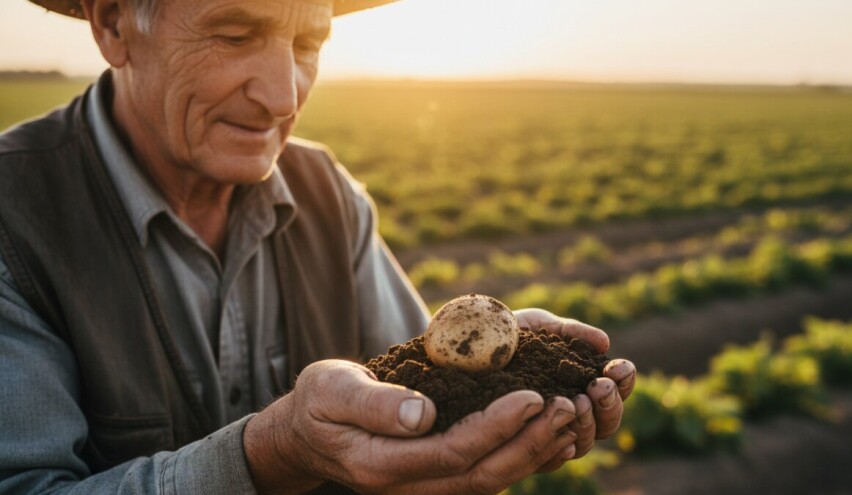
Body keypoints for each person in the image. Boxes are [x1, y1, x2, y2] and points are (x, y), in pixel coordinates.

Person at [0, 0, 637, 493]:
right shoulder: (15, 216)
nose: (283, 95)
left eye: (308, 43)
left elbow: (418, 393)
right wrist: (272, 453)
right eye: (235, 34)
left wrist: (488, 403)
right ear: (113, 23)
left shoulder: (326, 191)